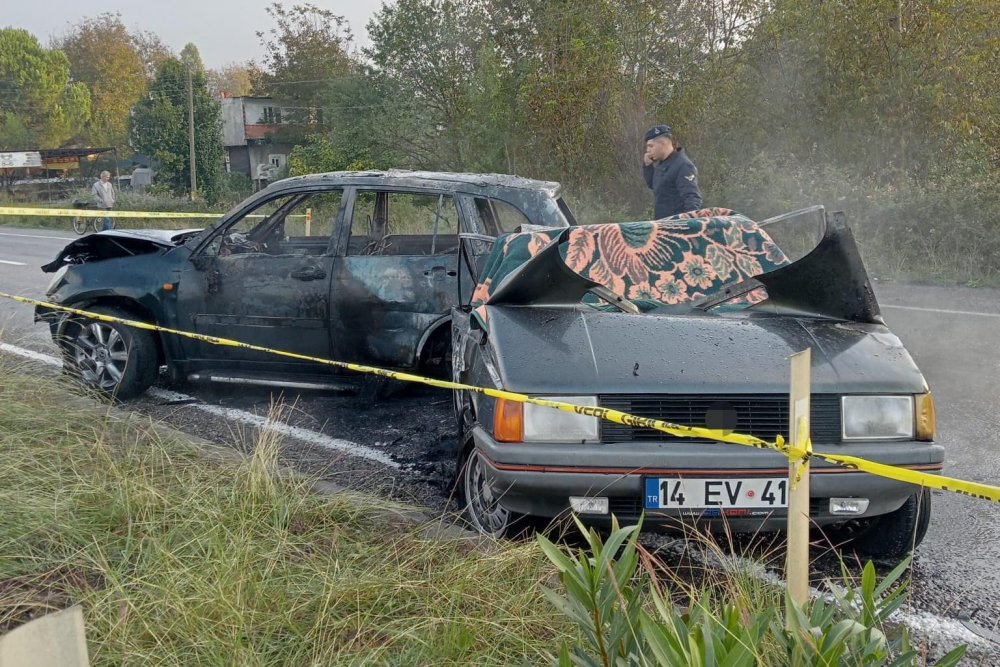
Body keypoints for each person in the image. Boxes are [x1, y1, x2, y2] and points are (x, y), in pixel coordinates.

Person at [642, 124, 703, 219]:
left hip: (677, 225)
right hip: (662, 223)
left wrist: (688, 224)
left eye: (651, 146)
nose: (648, 150)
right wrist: (648, 166)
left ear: (663, 144)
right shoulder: (662, 163)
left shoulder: (683, 165)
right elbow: (654, 185)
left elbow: (692, 198)